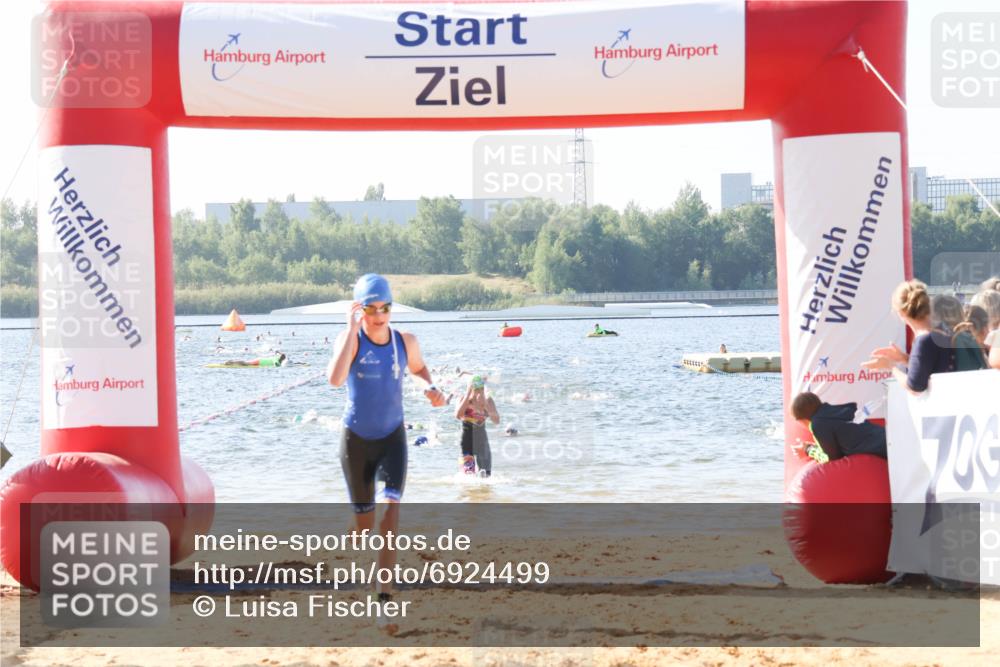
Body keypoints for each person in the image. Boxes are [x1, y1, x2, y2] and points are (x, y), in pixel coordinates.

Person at [327, 273, 446, 622]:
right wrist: (350, 331)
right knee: (365, 527)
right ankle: (353, 532)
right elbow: (334, 380)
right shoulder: (349, 340)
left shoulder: (404, 341)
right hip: (356, 442)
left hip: (393, 438)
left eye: (385, 307)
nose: (379, 315)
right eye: (371, 308)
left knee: (388, 519)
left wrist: (431, 386)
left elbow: (421, 368)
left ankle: (383, 601)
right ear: (359, 308)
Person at [863, 280, 978, 393]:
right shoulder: (943, 333)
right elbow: (934, 367)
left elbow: (915, 386)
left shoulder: (924, 340)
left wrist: (891, 367)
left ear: (901, 313)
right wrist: (905, 359)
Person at [791, 391, 887, 461]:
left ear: (802, 420)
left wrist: (808, 450)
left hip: (885, 451)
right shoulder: (832, 413)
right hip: (887, 439)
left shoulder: (817, 424)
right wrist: (814, 447)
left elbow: (831, 458)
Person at [454, 375, 499, 477]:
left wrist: (485, 405)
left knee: (486, 476)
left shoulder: (488, 400)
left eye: (480, 389)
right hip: (466, 441)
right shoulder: (462, 399)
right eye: (474, 389)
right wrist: (467, 395)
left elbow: (496, 421)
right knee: (468, 476)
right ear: (469, 388)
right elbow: (458, 415)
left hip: (482, 441)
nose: (477, 392)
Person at [221, 352, 287, 367]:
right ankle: (231, 362)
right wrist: (281, 366)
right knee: (246, 364)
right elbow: (275, 363)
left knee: (246, 363)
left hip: (260, 361)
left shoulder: (278, 359)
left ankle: (232, 362)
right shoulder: (276, 359)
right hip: (260, 362)